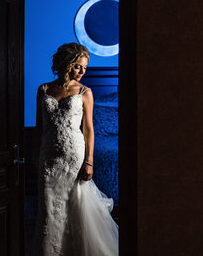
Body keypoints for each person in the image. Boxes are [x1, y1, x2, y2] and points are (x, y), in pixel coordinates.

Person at [31, 42, 119, 255]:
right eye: (78, 66)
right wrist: (36, 156)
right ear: (66, 64)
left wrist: (89, 161)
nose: (82, 72)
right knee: (49, 207)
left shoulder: (84, 92)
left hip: (74, 155)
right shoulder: (43, 89)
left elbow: (88, 129)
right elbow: (38, 128)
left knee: (74, 206)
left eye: (85, 68)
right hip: (48, 157)